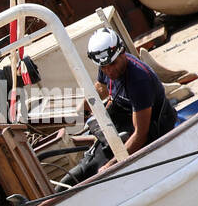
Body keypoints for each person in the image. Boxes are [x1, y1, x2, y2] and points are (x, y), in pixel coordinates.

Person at [66, 27, 177, 185]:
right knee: (78, 174)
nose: (109, 71)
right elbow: (101, 88)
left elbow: (141, 135)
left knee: (100, 175)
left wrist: (110, 166)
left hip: (151, 131)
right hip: (123, 125)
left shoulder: (139, 80)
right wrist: (80, 112)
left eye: (113, 64)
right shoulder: (106, 62)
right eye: (104, 67)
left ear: (122, 52)